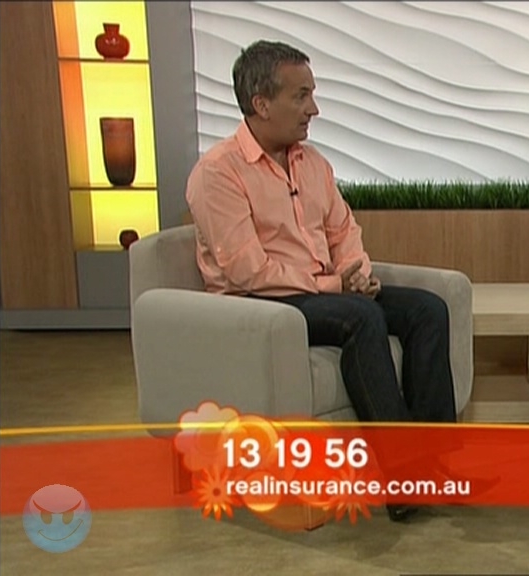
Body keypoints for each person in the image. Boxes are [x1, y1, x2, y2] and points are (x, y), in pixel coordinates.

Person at [185, 40, 458, 522]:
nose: (314, 108)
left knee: (427, 309)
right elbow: (248, 271)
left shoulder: (312, 164)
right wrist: (336, 287)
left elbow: (342, 231)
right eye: (302, 96)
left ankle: (435, 466)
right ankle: (401, 477)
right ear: (261, 104)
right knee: (360, 317)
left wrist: (358, 273)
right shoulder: (218, 173)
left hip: (325, 292)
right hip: (259, 304)